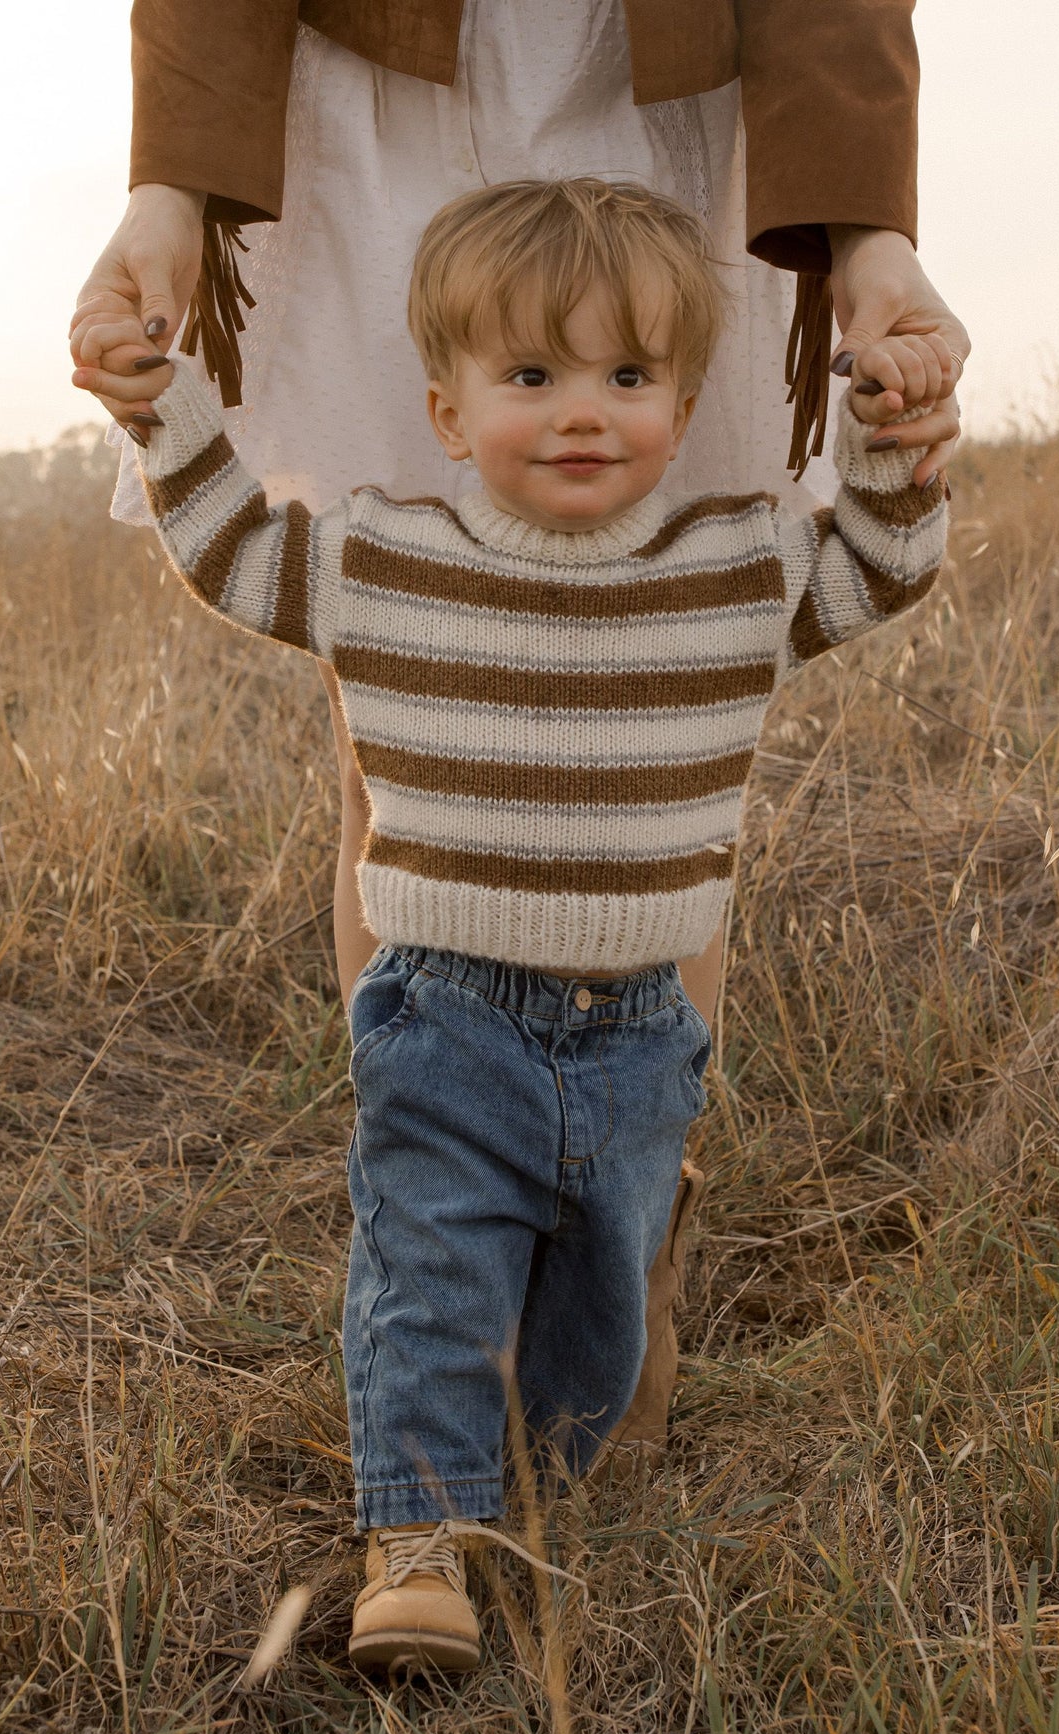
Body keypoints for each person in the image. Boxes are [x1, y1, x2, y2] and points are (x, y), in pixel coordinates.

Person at [70, 0, 969, 1458]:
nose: (584, 412)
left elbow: (866, 567)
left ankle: (624, 1251)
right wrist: (168, 204)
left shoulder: (739, 550)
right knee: (387, 730)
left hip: (676, 87)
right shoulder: (374, 537)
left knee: (663, 719)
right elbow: (250, 552)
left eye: (626, 391)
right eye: (547, 388)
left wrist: (870, 259)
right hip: (375, 93)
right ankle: (439, 1246)